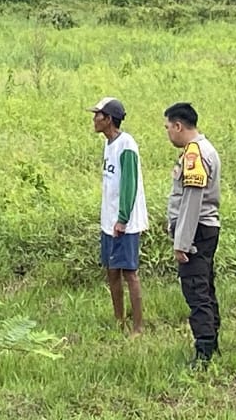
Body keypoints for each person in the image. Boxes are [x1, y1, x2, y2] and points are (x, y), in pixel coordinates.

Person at [165, 101, 222, 368]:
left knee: (196, 290)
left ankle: (204, 351)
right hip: (205, 228)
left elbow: (191, 201)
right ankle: (213, 341)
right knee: (205, 285)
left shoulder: (194, 154)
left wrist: (182, 243)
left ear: (178, 126)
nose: (167, 133)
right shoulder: (205, 148)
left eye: (168, 127)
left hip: (196, 230)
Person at [90, 96, 148, 336]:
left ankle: (137, 327)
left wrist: (122, 219)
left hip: (124, 222)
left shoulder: (127, 145)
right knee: (111, 271)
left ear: (109, 119)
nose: (94, 120)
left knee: (129, 273)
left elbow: (129, 184)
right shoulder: (108, 143)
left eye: (98, 115)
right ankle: (118, 321)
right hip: (109, 220)